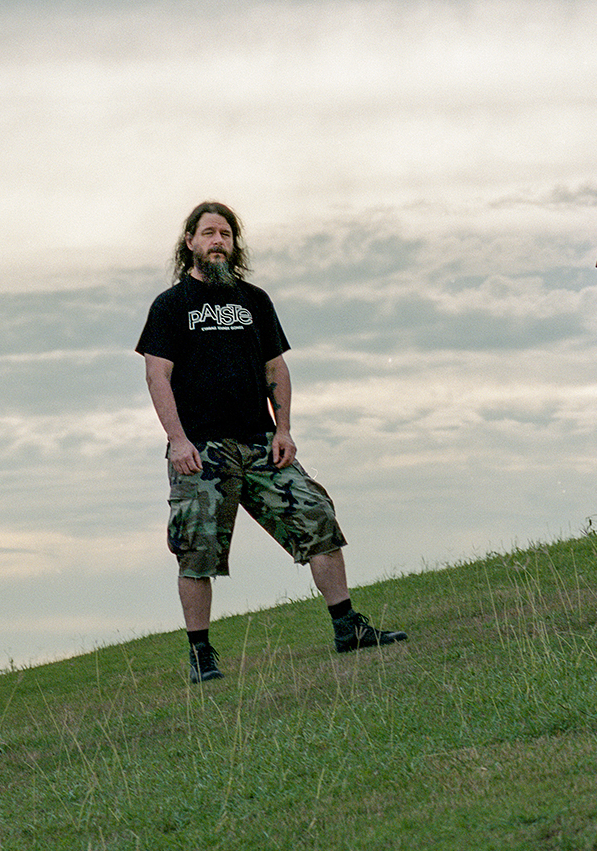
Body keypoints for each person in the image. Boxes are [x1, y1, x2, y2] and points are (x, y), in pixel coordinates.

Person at [136, 202, 406, 683]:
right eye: (208, 233)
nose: (218, 241)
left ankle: (348, 628)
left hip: (262, 444)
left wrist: (284, 430)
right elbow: (158, 374)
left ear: (233, 244)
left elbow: (275, 367)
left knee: (317, 517)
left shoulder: (255, 300)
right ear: (190, 242)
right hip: (202, 451)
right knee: (196, 551)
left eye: (226, 234)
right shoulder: (170, 305)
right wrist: (177, 441)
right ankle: (201, 656)